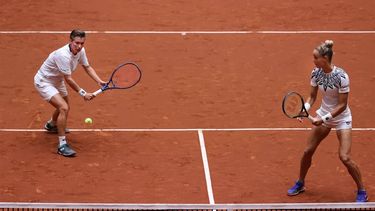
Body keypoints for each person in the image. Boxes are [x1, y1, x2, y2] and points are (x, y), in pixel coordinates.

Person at [287, 40, 368, 202]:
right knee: (307, 151)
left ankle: (361, 190)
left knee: (345, 157)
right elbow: (312, 96)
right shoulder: (315, 73)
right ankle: (300, 182)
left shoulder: (342, 77)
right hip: (324, 114)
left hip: (341, 118)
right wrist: (306, 108)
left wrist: (323, 119)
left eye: (316, 58)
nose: (313, 60)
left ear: (325, 58)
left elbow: (342, 105)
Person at [34, 29, 106, 157]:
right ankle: (62, 146)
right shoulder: (63, 55)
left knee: (65, 105)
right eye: (76, 43)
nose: (79, 46)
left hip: (57, 79)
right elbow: (69, 79)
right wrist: (83, 93)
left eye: (82, 43)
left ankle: (51, 125)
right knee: (63, 107)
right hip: (44, 81)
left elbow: (87, 67)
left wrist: (99, 81)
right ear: (70, 41)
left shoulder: (81, 51)